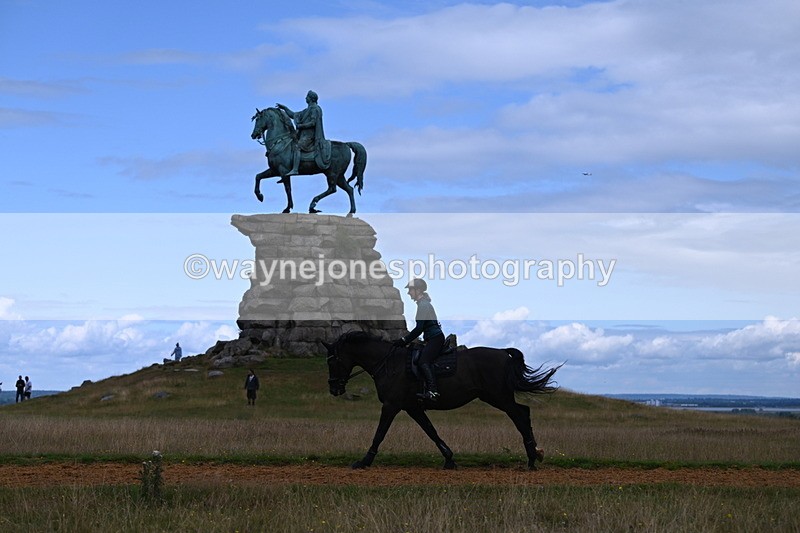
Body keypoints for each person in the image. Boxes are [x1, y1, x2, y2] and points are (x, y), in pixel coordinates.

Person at [394, 279, 445, 401]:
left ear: (418, 290)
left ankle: (433, 391)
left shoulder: (423, 305)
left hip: (435, 339)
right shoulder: (423, 304)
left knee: (423, 361)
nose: (409, 293)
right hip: (431, 338)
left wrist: (404, 340)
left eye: (410, 290)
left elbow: (419, 329)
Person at [276, 90, 331, 175]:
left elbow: (313, 123)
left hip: (310, 136)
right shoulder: (306, 110)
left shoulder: (315, 109)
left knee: (297, 147)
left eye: (307, 97)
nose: (305, 98)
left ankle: (295, 169)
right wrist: (285, 108)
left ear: (311, 99)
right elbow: (293, 115)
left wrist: (301, 126)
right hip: (303, 135)